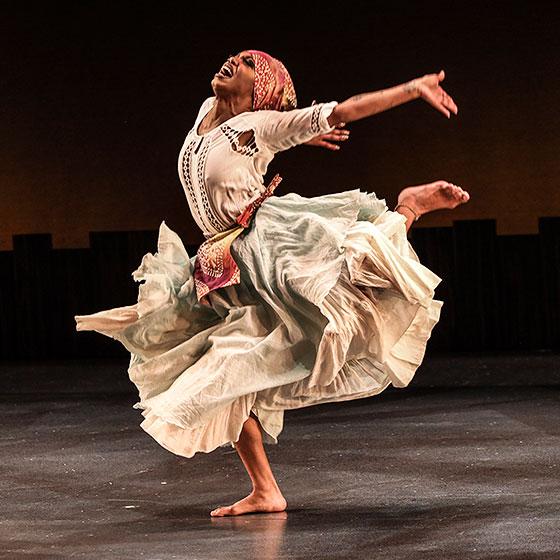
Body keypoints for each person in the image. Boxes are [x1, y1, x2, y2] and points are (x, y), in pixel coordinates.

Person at [74, 50, 470, 517]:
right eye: (235, 55)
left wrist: (411, 89)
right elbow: (261, 135)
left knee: (350, 282)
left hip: (268, 243)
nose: (231, 61)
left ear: (258, 90)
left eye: (245, 62)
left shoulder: (259, 126)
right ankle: (267, 490)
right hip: (222, 259)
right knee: (224, 366)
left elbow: (342, 111)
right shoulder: (208, 110)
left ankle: (407, 208)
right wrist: (298, 133)